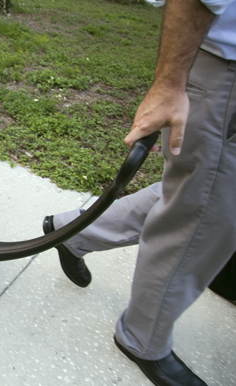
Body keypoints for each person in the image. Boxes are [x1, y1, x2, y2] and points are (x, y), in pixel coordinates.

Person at [43, 0, 236, 385]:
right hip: (225, 70)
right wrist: (169, 84)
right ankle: (142, 337)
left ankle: (74, 231)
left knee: (204, 195)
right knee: (205, 209)